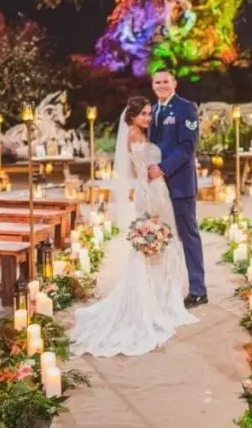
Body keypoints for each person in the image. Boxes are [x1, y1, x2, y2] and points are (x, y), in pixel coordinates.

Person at [70, 96, 197, 357]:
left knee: (164, 246)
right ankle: (152, 301)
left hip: (154, 189)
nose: (148, 119)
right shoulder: (135, 137)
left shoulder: (140, 134)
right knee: (157, 245)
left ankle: (160, 297)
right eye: (143, 115)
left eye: (149, 114)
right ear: (132, 117)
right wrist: (153, 201)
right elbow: (145, 173)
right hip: (152, 192)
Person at [147, 70, 208, 308]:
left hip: (180, 184)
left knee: (188, 235)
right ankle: (164, 287)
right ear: (153, 85)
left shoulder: (185, 108)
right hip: (157, 186)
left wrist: (162, 168)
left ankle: (198, 290)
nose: (161, 85)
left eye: (165, 81)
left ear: (174, 83)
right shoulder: (151, 110)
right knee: (159, 235)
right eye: (157, 82)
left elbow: (187, 146)